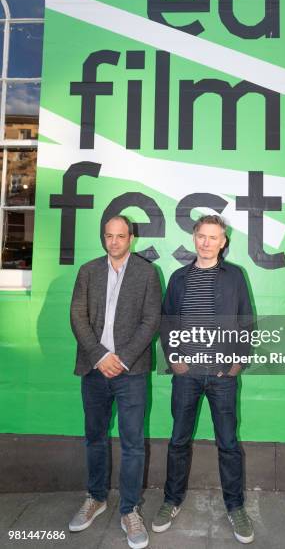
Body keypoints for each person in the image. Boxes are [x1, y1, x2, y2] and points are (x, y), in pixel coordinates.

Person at [152, 214, 255, 544]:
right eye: (202, 236)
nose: (207, 242)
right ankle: (171, 500)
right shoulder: (179, 278)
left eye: (214, 237)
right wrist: (175, 360)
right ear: (194, 238)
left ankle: (235, 506)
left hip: (222, 376)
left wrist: (237, 363)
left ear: (223, 242)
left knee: (228, 444)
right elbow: (166, 323)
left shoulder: (235, 276)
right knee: (178, 440)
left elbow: (246, 322)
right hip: (187, 377)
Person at [69, 215, 161, 549]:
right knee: (95, 437)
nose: (114, 242)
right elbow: (77, 316)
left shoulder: (147, 273)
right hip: (94, 370)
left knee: (133, 443)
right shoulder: (88, 271)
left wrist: (120, 358)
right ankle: (96, 497)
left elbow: (151, 321)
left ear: (131, 238)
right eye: (108, 236)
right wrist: (99, 356)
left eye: (120, 236)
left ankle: (130, 509)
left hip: (130, 371)